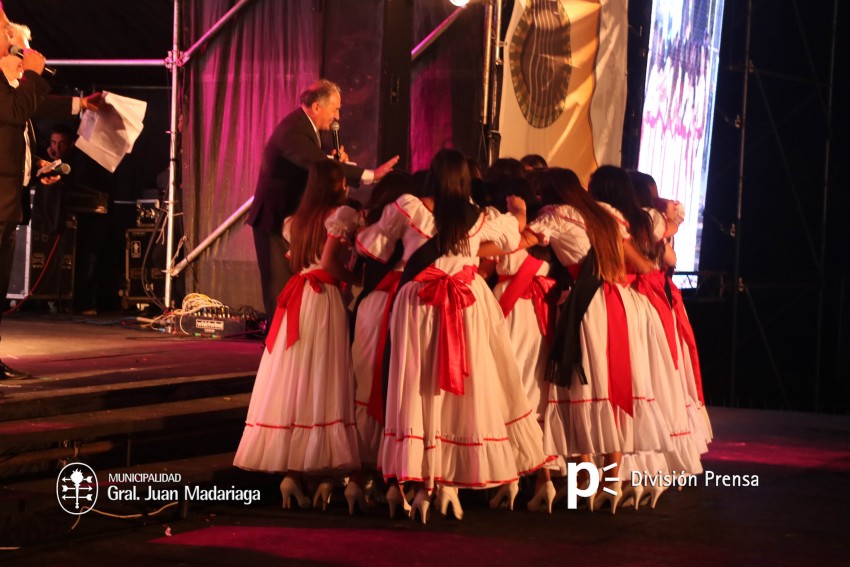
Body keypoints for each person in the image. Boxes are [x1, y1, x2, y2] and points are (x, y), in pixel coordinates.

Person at [356, 149, 550, 523]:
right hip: (466, 305)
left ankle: (420, 482)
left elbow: (374, 245)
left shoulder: (409, 207)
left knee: (417, 386)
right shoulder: (477, 216)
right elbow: (510, 238)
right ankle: (448, 484)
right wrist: (520, 214)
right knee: (461, 390)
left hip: (419, 305)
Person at [233, 159, 362, 510]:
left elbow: (301, 261)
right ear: (337, 184)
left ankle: (291, 473)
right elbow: (332, 263)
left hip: (301, 296)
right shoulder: (340, 216)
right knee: (322, 373)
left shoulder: (297, 219)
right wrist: (355, 281)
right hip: (322, 298)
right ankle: (319, 470)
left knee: (297, 373)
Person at [0, 10, 104, 380]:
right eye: (11, 40)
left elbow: (26, 113)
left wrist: (39, 164)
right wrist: (33, 73)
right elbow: (16, 110)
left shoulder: (13, 86)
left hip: (7, 198)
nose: (19, 49)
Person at [246, 79, 399, 324]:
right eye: (335, 109)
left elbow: (315, 163)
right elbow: (316, 164)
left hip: (290, 219)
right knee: (280, 290)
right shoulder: (294, 131)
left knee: (293, 285)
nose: (338, 116)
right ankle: (276, 348)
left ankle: (292, 344)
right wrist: (371, 175)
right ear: (317, 107)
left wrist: (337, 163)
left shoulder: (305, 129)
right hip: (273, 220)